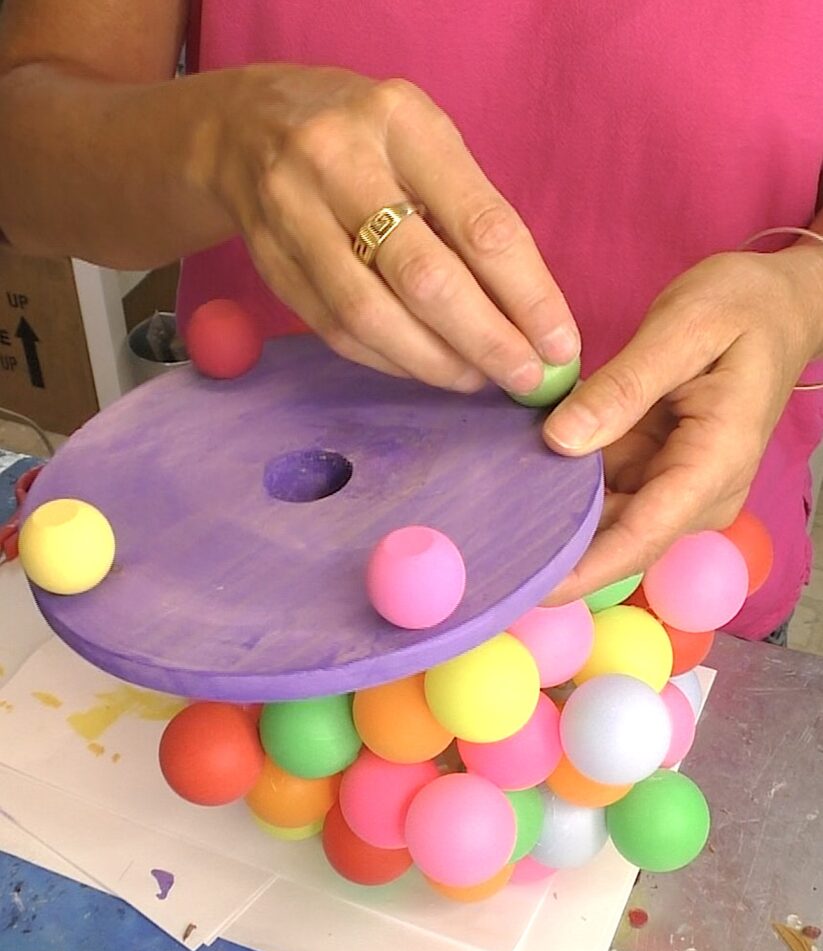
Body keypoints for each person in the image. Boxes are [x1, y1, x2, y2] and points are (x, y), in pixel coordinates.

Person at [0, 1, 821, 641]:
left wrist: (801, 292)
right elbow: (23, 155)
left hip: (668, 584)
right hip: (254, 580)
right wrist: (219, 139)